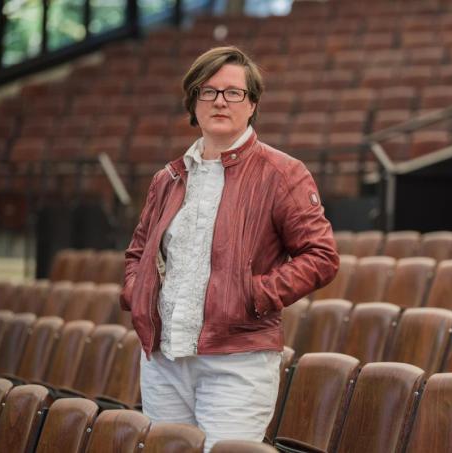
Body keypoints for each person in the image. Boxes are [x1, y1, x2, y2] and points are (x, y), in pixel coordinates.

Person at [120, 46, 339, 451]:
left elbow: (321, 257)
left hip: (237, 361)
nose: (220, 100)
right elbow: (138, 253)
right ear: (194, 101)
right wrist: (138, 293)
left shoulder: (282, 173)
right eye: (208, 91)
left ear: (252, 103)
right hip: (163, 359)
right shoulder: (167, 178)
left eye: (233, 92)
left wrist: (253, 295)